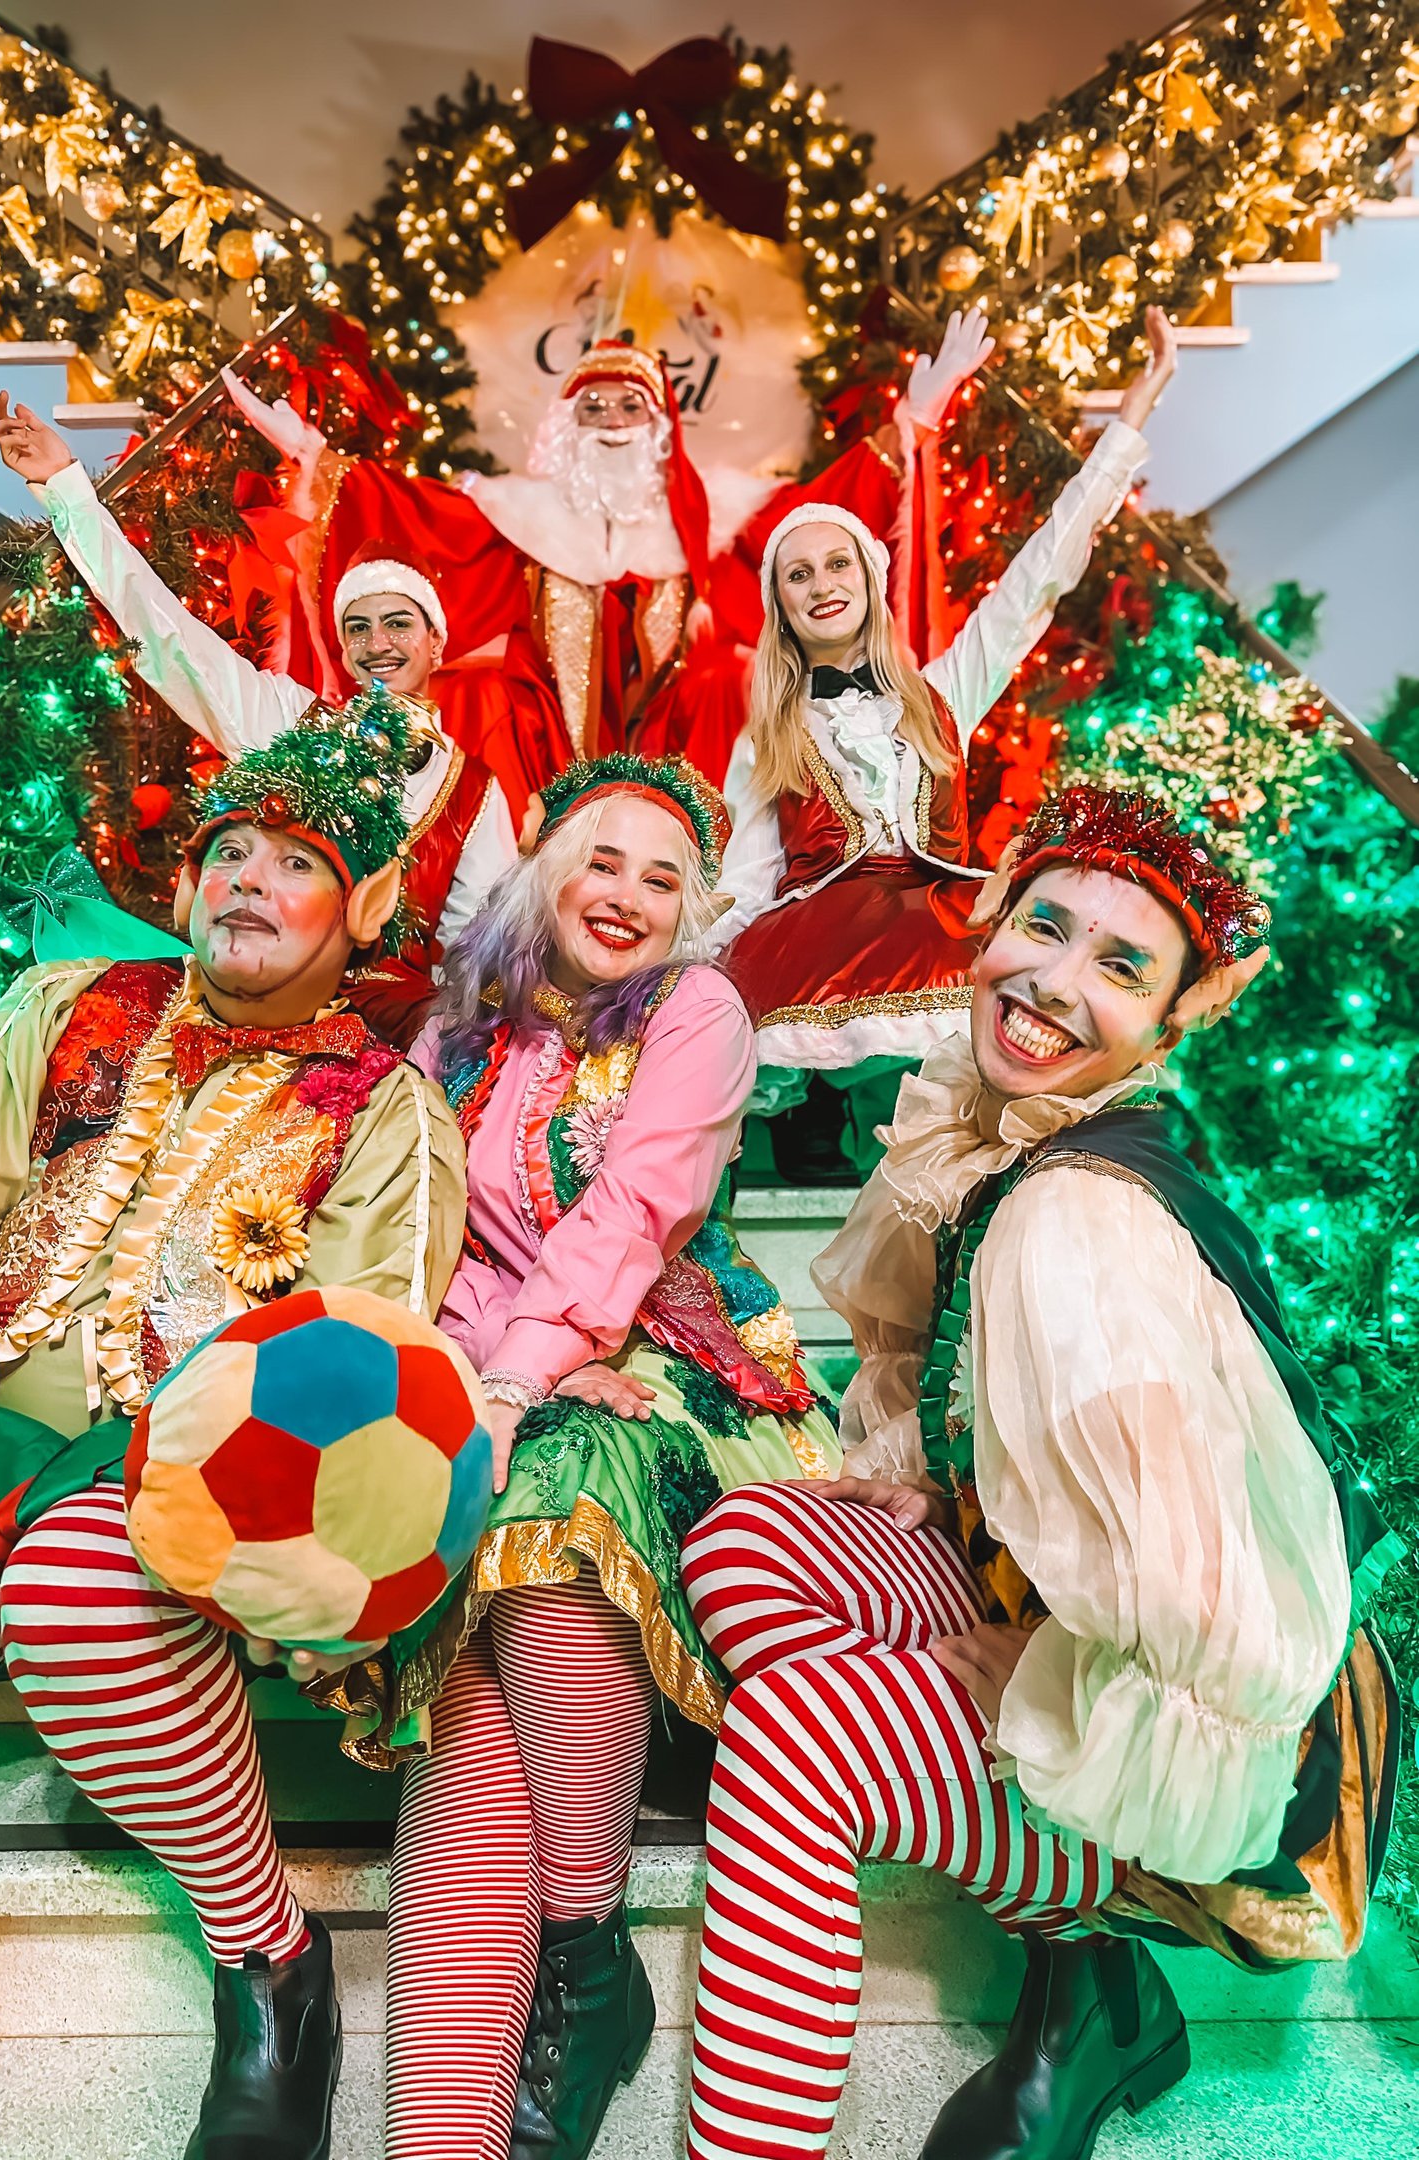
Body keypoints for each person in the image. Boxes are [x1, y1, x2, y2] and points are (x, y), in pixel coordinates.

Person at [677, 782, 1400, 2160]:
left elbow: (1215, 1606)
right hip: (1060, 1597)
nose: (1053, 984)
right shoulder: (993, 1126)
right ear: (993, 920)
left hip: (1239, 1737)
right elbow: (920, 1357)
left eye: (1120, 967)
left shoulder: (1081, 1217)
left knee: (797, 1741)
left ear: (1179, 1015)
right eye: (1045, 926)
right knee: (747, 1539)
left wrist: (1082, 1693)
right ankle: (1092, 1971)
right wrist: (925, 1479)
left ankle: (1095, 1963)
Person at [0, 716, 466, 2160]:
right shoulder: (65, 1009)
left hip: (177, 1510)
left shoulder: (387, 1109)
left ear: (360, 912)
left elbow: (368, 1367)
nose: (246, 880)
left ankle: (270, 1959)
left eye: (297, 863)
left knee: (77, 1581)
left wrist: (304, 1553)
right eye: (229, 849)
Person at [306, 752, 841, 2160]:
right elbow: (432, 1242)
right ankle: (508, 2063)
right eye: (602, 860)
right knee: (465, 1691)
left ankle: (586, 1928)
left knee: (553, 1480)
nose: (628, 895)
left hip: (678, 1373)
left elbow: (633, 1217)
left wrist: (517, 1381)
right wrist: (479, 1378)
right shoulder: (455, 1033)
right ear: (541, 868)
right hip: (500, 1370)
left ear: (693, 913)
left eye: (664, 879)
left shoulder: (701, 1013)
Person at [713, 308, 1179, 1181]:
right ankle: (824, 1117)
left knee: (998, 959)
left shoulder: (942, 693)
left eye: (838, 563)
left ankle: (958, 1135)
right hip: (819, 942)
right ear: (780, 605)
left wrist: (1135, 410)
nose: (822, 585)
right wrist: (700, 988)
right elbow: (743, 880)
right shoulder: (767, 737)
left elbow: (1043, 571)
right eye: (798, 574)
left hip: (940, 917)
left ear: (871, 578)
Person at [222, 314, 996, 789]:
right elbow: (415, 519)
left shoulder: (713, 521)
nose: (614, 420)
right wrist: (316, 457)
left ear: (660, 425)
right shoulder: (515, 515)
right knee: (480, 699)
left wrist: (912, 423)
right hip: (539, 756)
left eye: (632, 405)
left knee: (728, 676)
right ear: (566, 425)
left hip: (683, 756)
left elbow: (822, 521)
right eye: (593, 406)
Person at [0, 387, 518, 1045]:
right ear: (343, 649)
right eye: (359, 627)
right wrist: (67, 489)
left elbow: (477, 957)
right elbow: (168, 637)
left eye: (399, 623)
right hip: (249, 982)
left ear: (436, 642)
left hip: (381, 1032)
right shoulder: (293, 721)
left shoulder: (477, 792)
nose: (379, 643)